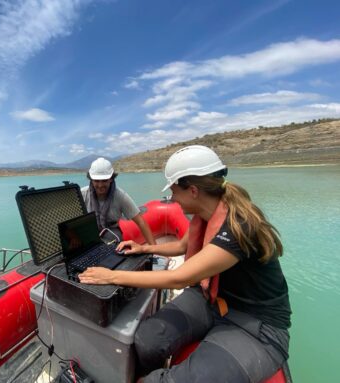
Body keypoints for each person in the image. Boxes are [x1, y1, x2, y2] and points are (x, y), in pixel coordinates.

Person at [79, 146, 291, 383]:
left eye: (173, 192)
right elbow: (181, 247)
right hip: (209, 299)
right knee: (147, 341)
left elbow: (180, 277)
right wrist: (144, 248)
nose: (172, 199)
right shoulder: (206, 214)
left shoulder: (237, 227)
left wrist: (111, 276)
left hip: (253, 325)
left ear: (192, 190)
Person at [81, 157, 156, 245]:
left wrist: (155, 250)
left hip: (112, 232)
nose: (100, 185)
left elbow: (140, 221)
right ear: (90, 179)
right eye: (96, 181)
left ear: (111, 179)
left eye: (104, 180)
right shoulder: (82, 194)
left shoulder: (120, 196)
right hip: (89, 232)